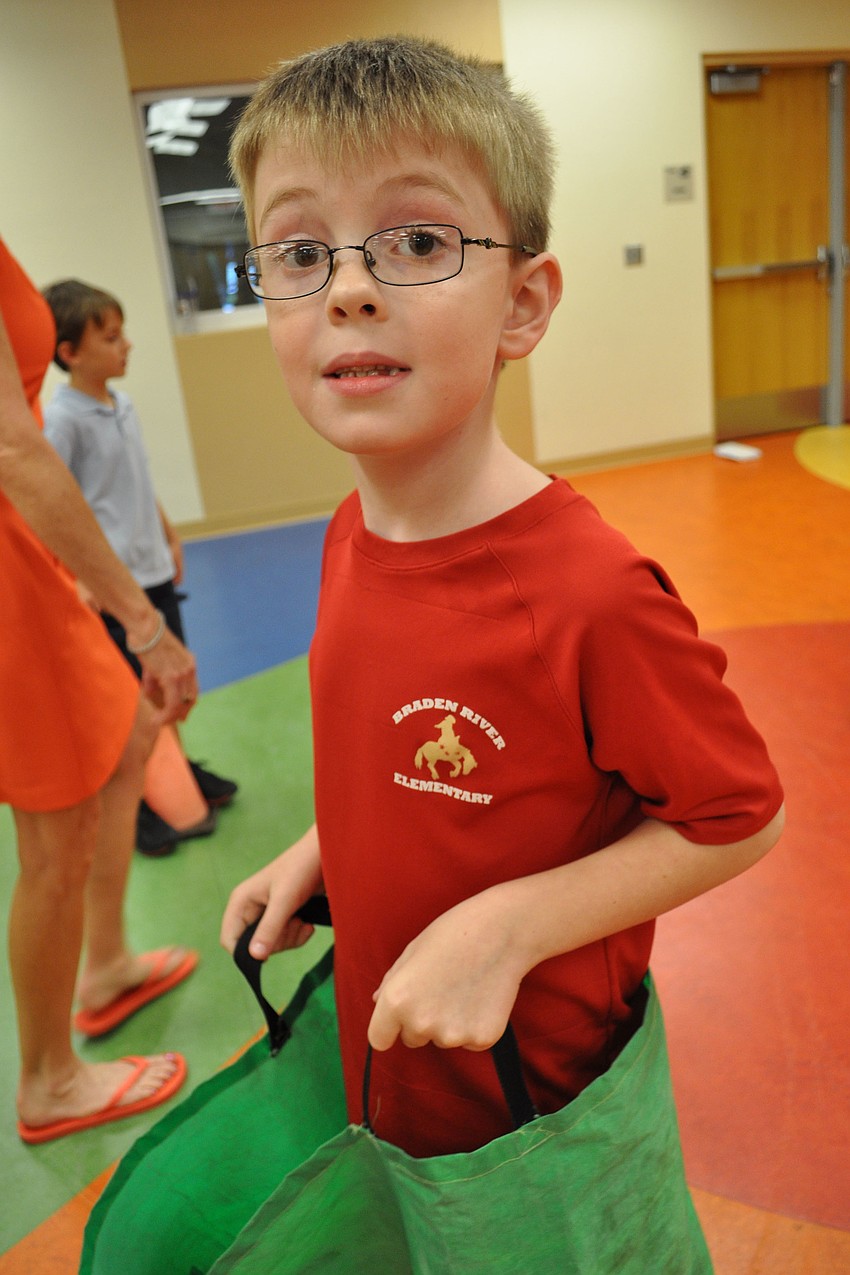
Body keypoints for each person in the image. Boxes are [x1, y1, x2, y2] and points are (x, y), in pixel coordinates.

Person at [219, 33, 784, 1239]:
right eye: (300, 251)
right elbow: (395, 757)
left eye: (417, 242)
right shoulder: (343, 537)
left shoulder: (585, 592)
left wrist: (503, 928)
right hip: (396, 1071)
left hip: (542, 1110)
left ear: (522, 303)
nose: (349, 288)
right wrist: (323, 849)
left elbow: (737, 812)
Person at [0, 236, 197, 1143]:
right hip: (12, 559)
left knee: (124, 746)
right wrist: (143, 623)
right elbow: (14, 447)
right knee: (54, 833)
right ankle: (47, 1079)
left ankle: (107, 961)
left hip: (27, 551)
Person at [41, 279, 238, 857]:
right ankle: (138, 801)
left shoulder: (120, 404)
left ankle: (173, 769)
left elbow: (135, 483)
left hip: (151, 568)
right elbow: (58, 506)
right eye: (111, 337)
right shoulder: (63, 421)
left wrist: (169, 532)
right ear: (69, 353)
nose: (126, 345)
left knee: (167, 688)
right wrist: (79, 578)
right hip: (112, 587)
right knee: (128, 702)